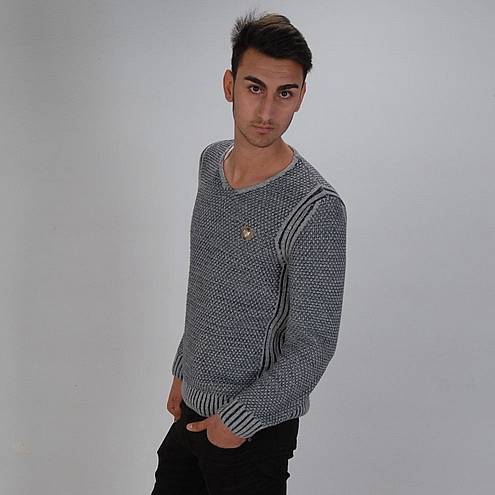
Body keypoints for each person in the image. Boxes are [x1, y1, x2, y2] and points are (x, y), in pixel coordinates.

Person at [151, 9, 347, 495]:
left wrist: (236, 422)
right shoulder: (210, 163)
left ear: (302, 96)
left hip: (251, 436)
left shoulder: (315, 207)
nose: (267, 112)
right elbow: (207, 283)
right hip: (191, 412)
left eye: (285, 93)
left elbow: (314, 344)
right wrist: (183, 370)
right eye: (255, 87)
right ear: (229, 85)